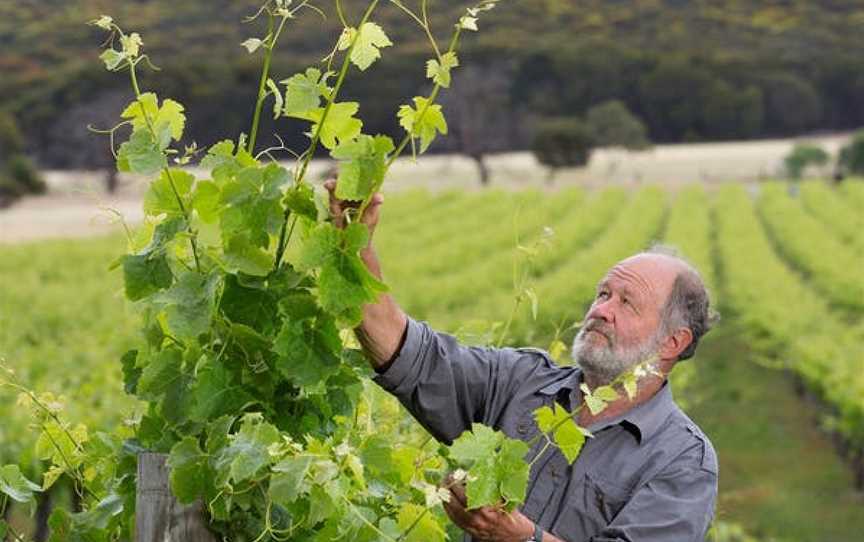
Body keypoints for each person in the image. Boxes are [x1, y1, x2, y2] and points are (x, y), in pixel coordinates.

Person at [325, 181, 720, 542]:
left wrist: (519, 537)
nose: (602, 310)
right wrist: (354, 243)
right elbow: (407, 353)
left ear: (672, 341)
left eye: (627, 302)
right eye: (603, 294)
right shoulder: (519, 380)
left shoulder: (683, 461)